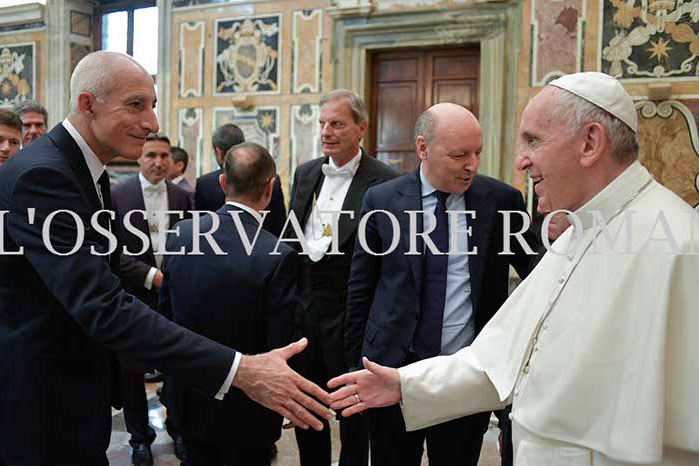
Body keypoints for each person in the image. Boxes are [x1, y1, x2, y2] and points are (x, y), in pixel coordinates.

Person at [328, 72, 699, 466]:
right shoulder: (576, 237)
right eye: (460, 154)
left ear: (590, 142)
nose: (520, 160)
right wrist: (403, 383)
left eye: (533, 140)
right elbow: (501, 353)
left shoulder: (681, 248)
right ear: (423, 149)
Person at [0, 51, 332, 466]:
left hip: (73, 396)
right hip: (40, 405)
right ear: (88, 104)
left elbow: (109, 272)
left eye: (153, 105)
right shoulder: (44, 175)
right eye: (136, 105)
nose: (153, 122)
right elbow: (103, 305)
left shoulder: (85, 170)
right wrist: (239, 369)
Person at [343, 103, 536, 466]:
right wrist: (356, 367)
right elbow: (360, 289)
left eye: (477, 153)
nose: (472, 165)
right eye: (459, 155)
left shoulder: (502, 202)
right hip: (392, 372)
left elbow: (537, 274)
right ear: (423, 148)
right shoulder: (382, 200)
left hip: (463, 378)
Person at [160, 142, 297, 466]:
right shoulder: (278, 254)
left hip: (188, 397)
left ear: (223, 183)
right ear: (270, 188)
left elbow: (165, 315)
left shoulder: (181, 234)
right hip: (250, 408)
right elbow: (280, 343)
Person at [287, 89, 398, 466]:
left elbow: (387, 261)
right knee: (307, 409)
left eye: (336, 123)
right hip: (306, 315)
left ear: (361, 128)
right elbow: (293, 242)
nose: (326, 132)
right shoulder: (305, 173)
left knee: (354, 416)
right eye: (322, 123)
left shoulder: (384, 181)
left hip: (353, 318)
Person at [111, 133, 193, 465]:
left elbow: (191, 243)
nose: (158, 162)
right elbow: (112, 251)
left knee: (177, 367)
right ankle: (139, 438)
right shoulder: (118, 195)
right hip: (133, 294)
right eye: (151, 156)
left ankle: (179, 429)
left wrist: (175, 277)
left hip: (174, 296)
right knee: (131, 372)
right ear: (139, 158)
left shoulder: (183, 196)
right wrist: (151, 276)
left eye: (163, 156)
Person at [195, 124, 286, 237]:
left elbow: (199, 227)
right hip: (263, 245)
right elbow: (280, 227)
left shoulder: (204, 183)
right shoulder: (271, 180)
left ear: (219, 152)